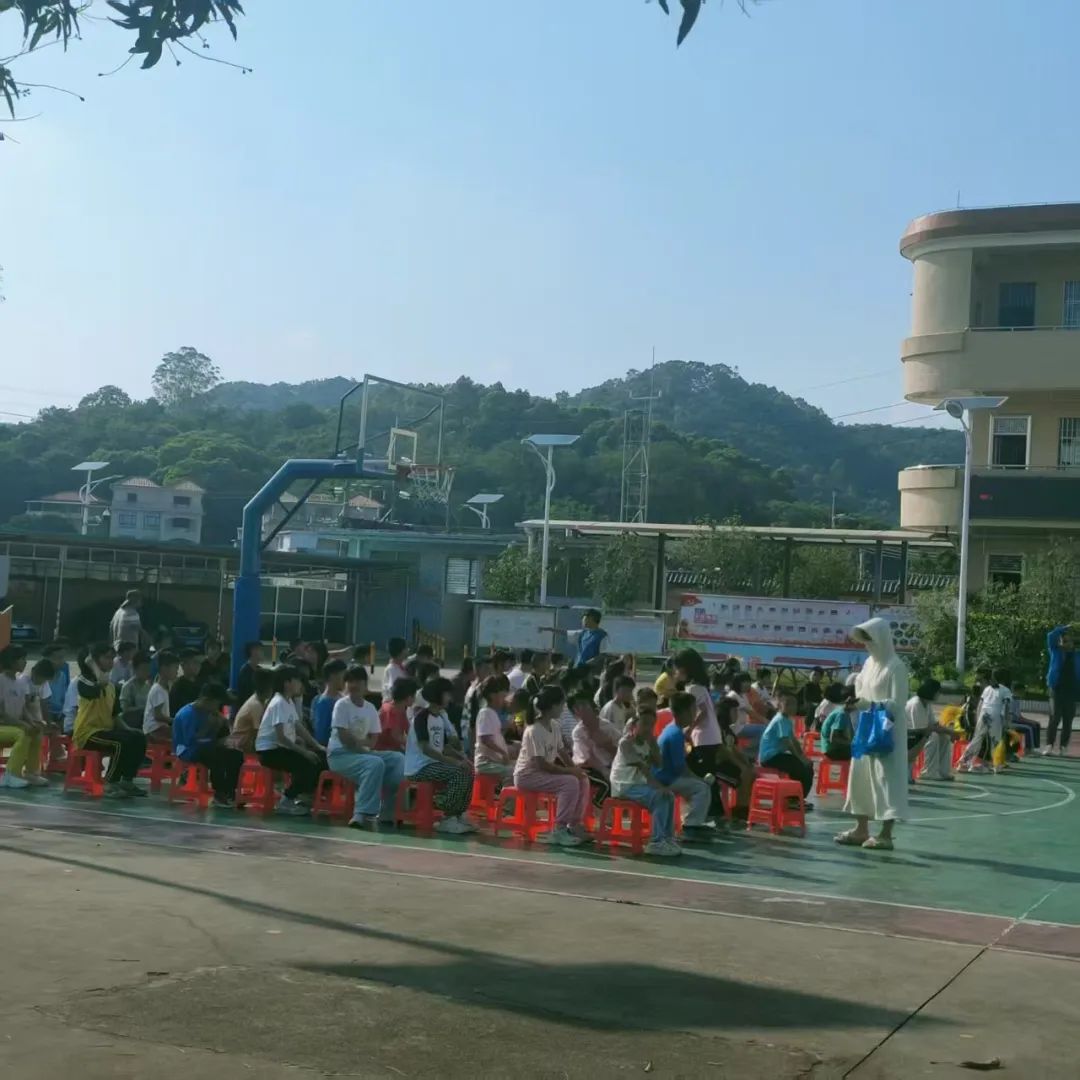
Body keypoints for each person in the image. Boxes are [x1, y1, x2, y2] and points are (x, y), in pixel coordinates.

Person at [835, 618, 909, 851]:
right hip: (866, 727)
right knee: (860, 777)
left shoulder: (896, 667)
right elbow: (862, 693)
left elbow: (898, 704)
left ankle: (885, 834)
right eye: (864, 640)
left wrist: (868, 704)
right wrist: (855, 703)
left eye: (870, 640)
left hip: (887, 730)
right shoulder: (868, 665)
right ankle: (861, 829)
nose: (867, 645)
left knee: (886, 779)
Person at [328, 665, 405, 830]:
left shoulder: (370, 708)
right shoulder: (341, 705)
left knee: (398, 759)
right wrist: (363, 745)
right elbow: (344, 738)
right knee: (374, 763)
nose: (353, 685)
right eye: (350, 681)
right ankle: (361, 814)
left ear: (365, 684)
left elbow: (373, 740)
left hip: (363, 754)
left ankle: (387, 809)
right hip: (340, 755)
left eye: (358, 681)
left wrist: (361, 744)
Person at [512, 685, 591, 846]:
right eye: (561, 704)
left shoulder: (554, 725)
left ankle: (573, 825)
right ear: (553, 706)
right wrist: (570, 772)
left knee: (582, 779)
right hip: (527, 776)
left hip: (542, 773)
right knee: (569, 782)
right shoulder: (534, 730)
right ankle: (559, 829)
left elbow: (562, 752)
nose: (563, 708)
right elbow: (541, 764)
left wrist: (575, 770)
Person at [73, 643, 148, 798]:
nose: (111, 661)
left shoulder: (112, 687)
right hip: (87, 734)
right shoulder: (84, 681)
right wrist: (91, 664)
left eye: (112, 658)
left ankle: (127, 781)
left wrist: (129, 729)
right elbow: (100, 683)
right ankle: (109, 783)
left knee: (138, 737)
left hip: (106, 731)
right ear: (94, 660)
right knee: (120, 744)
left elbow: (115, 715)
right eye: (106, 658)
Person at [404, 677, 477, 835]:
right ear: (438, 695)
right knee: (458, 773)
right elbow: (426, 749)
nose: (450, 697)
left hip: (433, 764)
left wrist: (462, 758)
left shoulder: (439, 718)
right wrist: (454, 763)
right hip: (420, 767)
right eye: (447, 694)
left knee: (469, 770)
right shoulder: (421, 717)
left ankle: (458, 815)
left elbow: (444, 747)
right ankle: (447, 816)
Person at [255, 665, 327, 815]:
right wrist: (304, 752)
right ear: (287, 683)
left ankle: (306, 795)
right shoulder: (278, 702)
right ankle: (286, 800)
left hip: (282, 748)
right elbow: (281, 738)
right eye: (298, 680)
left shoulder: (288, 702)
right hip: (269, 752)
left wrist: (317, 746)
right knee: (307, 763)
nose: (300, 684)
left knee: (321, 758)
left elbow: (298, 727)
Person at [610, 709, 680, 857]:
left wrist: (654, 745)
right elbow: (644, 770)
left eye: (651, 725)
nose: (648, 728)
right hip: (624, 786)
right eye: (645, 724)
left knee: (670, 796)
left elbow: (659, 764)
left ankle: (667, 838)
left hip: (638, 785)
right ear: (634, 725)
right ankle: (656, 842)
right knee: (660, 796)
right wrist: (659, 787)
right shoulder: (626, 743)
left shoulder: (648, 743)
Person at [172, 682, 242, 808]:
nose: (217, 707)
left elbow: (213, 737)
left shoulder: (209, 712)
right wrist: (209, 727)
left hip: (206, 746)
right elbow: (193, 741)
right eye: (216, 703)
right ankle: (219, 794)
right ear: (207, 700)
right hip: (187, 750)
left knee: (235, 754)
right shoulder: (187, 714)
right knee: (216, 755)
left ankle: (230, 791)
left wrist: (221, 727)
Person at [655, 692, 714, 837]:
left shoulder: (671, 728)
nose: (695, 714)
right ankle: (690, 826)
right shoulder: (676, 734)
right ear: (684, 712)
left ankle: (688, 820)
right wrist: (699, 779)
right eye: (693, 710)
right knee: (702, 788)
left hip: (663, 776)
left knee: (694, 786)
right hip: (665, 779)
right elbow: (680, 769)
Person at [0, 646, 49, 789]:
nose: (25, 662)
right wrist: (22, 724)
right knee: (23, 733)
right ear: (11, 661)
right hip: (3, 726)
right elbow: (1, 713)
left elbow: (23, 709)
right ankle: (10, 775)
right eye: (22, 659)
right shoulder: (1, 681)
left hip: (13, 725)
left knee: (36, 732)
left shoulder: (19, 683)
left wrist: (33, 723)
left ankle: (31, 773)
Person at [758, 692, 814, 801]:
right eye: (788, 704)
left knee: (807, 766)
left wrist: (803, 756)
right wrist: (800, 758)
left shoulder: (787, 720)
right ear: (780, 705)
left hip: (777, 755)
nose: (792, 707)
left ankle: (799, 798)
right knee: (800, 768)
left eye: (794, 704)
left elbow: (794, 741)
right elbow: (787, 743)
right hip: (770, 758)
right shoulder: (780, 720)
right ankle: (793, 799)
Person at [958, 668, 1012, 775]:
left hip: (983, 713)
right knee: (995, 740)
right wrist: (1006, 720)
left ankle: (963, 762)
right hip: (996, 715)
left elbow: (980, 704)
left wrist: (978, 717)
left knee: (977, 739)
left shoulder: (987, 689)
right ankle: (997, 765)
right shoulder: (1006, 690)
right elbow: (1006, 706)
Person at [570, 690, 620, 807]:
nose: (581, 709)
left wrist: (606, 745)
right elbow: (588, 759)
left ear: (592, 706)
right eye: (577, 707)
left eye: (584, 704)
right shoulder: (578, 732)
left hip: (610, 765)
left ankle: (609, 811)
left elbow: (620, 751)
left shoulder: (607, 727)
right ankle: (597, 810)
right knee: (607, 785)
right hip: (588, 769)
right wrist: (604, 771)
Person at [907, 678, 954, 781]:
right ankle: (929, 772)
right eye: (938, 692)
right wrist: (949, 731)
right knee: (933, 737)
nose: (939, 694)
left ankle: (942, 771)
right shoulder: (916, 703)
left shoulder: (927, 704)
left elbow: (934, 724)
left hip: (920, 732)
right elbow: (922, 729)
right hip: (910, 734)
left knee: (944, 737)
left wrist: (949, 732)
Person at [473, 674, 516, 783]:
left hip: (495, 761)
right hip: (486, 764)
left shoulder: (493, 713)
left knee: (521, 768)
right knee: (515, 773)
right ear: (492, 696)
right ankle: (505, 794)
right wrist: (503, 753)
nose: (504, 700)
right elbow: (485, 740)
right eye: (502, 696)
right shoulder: (485, 713)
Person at [1044, 624, 1079, 756]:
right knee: (1054, 717)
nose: (1065, 643)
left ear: (1072, 642)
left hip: (1072, 690)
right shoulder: (1055, 651)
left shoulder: (1077, 655)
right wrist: (1062, 629)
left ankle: (1063, 747)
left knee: (1068, 719)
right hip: (1056, 689)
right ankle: (1049, 745)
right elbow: (1050, 636)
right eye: (1063, 640)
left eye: (1067, 641)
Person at [228, 666, 274, 755]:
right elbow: (259, 734)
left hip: (246, 741)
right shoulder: (256, 706)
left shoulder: (258, 700)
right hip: (242, 746)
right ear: (268, 688)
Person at [143, 650, 178, 744]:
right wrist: (176, 720)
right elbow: (158, 715)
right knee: (180, 737)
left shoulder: (164, 688)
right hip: (154, 731)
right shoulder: (158, 690)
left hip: (161, 728)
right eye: (175, 668)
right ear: (164, 669)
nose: (177, 671)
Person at [312, 659, 348, 746]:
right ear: (332, 676)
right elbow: (321, 736)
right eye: (344, 676)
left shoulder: (343, 698)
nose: (346, 680)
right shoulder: (324, 703)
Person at [376, 676, 415, 753]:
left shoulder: (401, 709)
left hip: (393, 749)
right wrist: (414, 746)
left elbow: (409, 732)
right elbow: (395, 736)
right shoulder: (390, 710)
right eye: (413, 695)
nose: (414, 699)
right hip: (383, 750)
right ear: (408, 697)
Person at [820, 688, 856, 761]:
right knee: (862, 753)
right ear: (849, 701)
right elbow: (833, 738)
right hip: (832, 750)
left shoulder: (841, 710)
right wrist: (851, 742)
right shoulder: (842, 714)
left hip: (830, 748)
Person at [43, 641, 71, 733]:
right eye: (59, 658)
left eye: (63, 657)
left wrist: (63, 713)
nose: (63, 661)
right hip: (46, 713)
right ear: (47, 659)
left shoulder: (62, 676)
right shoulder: (43, 677)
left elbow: (64, 696)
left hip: (59, 713)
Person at [119, 652, 153, 728]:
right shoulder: (127, 687)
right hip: (132, 724)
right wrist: (143, 708)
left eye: (148, 669)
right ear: (135, 669)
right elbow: (125, 709)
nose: (147, 672)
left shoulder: (149, 686)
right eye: (144, 669)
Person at [169, 649, 203, 715]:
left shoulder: (202, 683)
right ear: (184, 665)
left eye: (199, 663)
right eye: (195, 662)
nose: (198, 665)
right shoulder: (178, 687)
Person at [234, 640, 265, 706]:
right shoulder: (245, 672)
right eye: (261, 650)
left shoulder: (259, 669)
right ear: (253, 652)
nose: (263, 652)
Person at [382, 637, 409, 703]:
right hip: (393, 705)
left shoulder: (400, 666)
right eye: (406, 648)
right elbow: (396, 691)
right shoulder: (392, 669)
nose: (408, 650)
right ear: (401, 651)